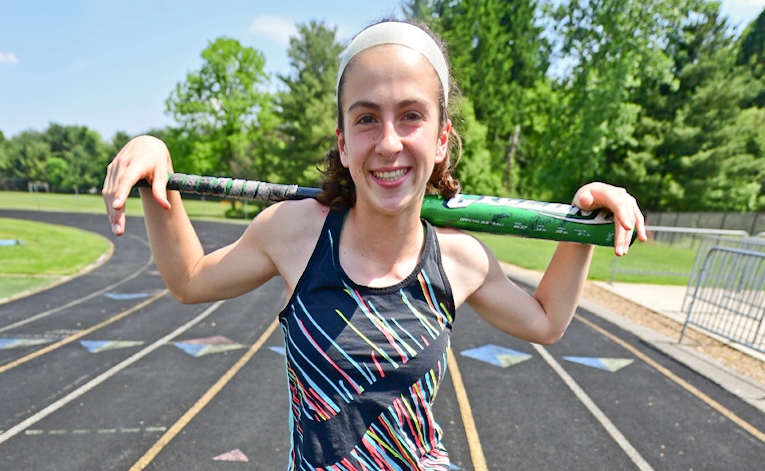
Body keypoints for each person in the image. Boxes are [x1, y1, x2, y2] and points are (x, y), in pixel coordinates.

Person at [103, 19, 646, 471]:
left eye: (411, 115)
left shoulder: (458, 258)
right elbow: (190, 278)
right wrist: (156, 169)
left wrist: (585, 223)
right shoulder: (295, 233)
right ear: (343, 142)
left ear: (440, 138)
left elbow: (547, 321)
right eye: (367, 119)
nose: (389, 142)